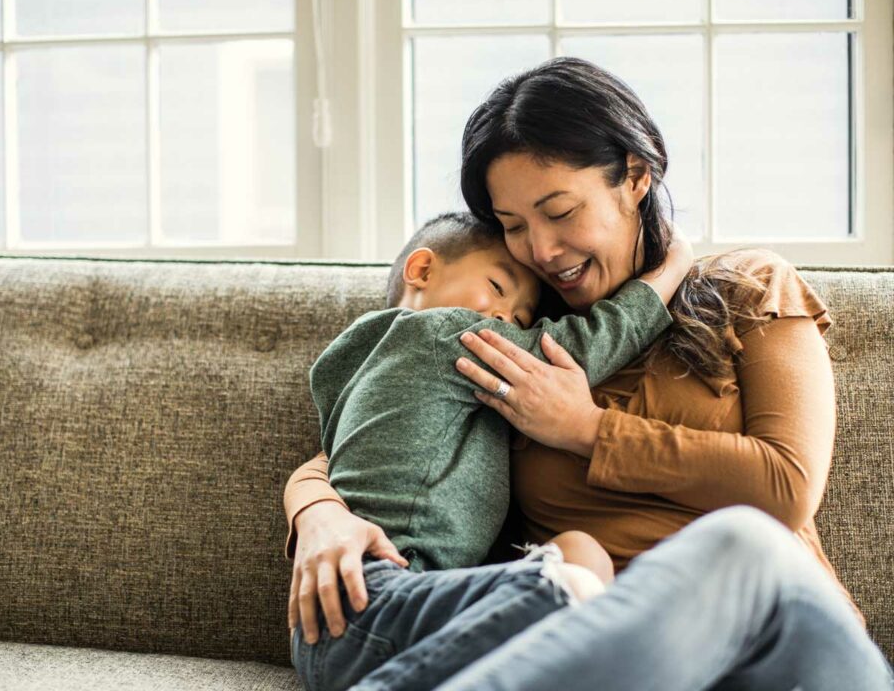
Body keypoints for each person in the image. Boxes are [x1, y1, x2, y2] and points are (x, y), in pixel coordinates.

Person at [285, 57, 894, 689]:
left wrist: (584, 428)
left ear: (634, 176)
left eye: (560, 211)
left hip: (782, 649)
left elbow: (786, 487)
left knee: (742, 541)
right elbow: (368, 433)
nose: (541, 251)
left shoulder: (748, 286)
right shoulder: (523, 334)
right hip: (603, 665)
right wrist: (319, 515)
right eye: (515, 227)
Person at [292, 210, 691, 690]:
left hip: (346, 621)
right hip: (378, 597)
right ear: (422, 270)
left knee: (574, 557)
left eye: (522, 318)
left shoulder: (356, 368)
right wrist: (669, 269)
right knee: (576, 575)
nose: (507, 319)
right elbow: (580, 349)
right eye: (499, 289)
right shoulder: (441, 334)